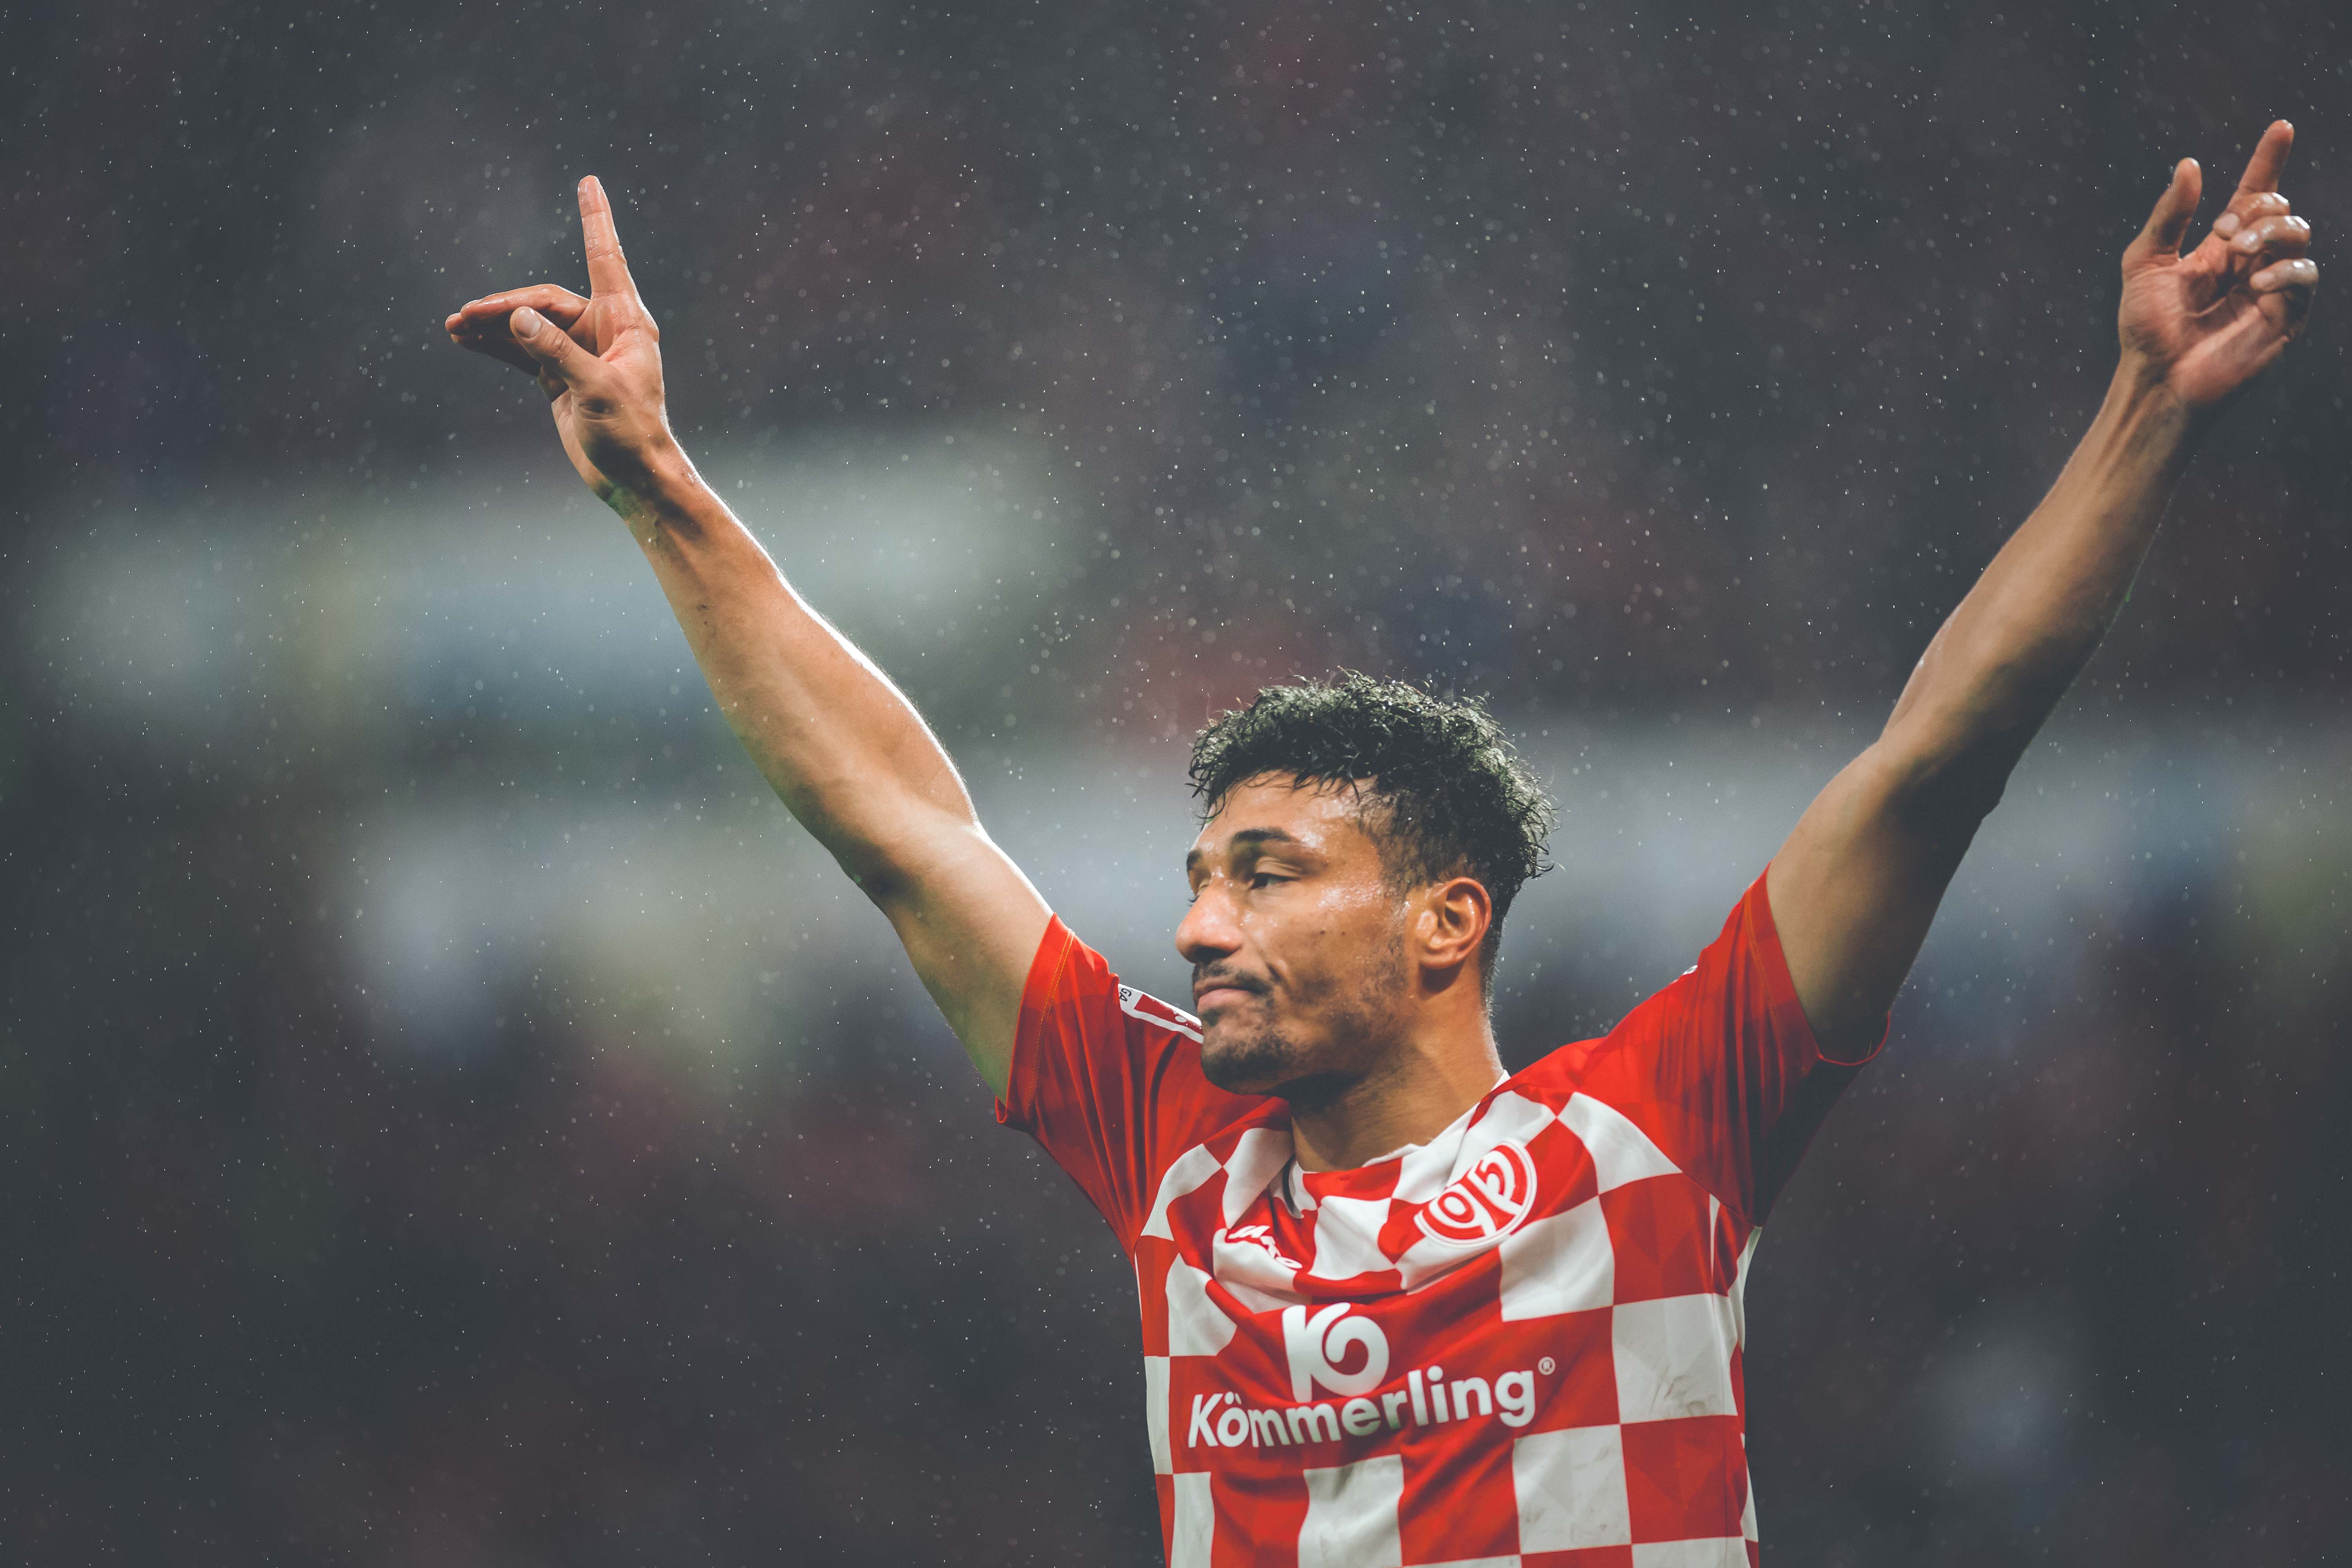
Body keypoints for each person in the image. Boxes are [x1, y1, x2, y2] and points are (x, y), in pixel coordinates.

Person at [445, 122, 2316, 1565]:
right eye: (1200, 879)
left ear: (1446, 919)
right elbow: (904, 827)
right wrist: (662, 493)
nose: (1199, 927)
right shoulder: (1175, 1150)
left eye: (1266, 873)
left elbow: (1932, 761)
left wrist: (2141, 415)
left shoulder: (1653, 1135)